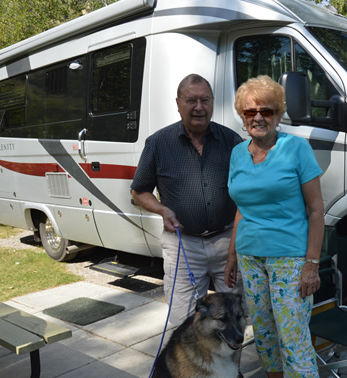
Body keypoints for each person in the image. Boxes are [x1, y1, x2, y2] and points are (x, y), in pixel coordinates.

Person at [224, 75, 324, 378]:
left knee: (293, 341)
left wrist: (312, 264)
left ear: (278, 115)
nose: (258, 117)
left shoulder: (297, 149)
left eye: (266, 111)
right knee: (265, 337)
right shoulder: (237, 153)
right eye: (250, 112)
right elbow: (242, 208)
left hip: (289, 259)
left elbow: (316, 210)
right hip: (250, 256)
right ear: (242, 117)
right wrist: (231, 256)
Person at [131, 73, 244, 326]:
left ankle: (229, 366)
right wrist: (162, 210)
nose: (199, 107)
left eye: (205, 100)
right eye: (191, 100)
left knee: (235, 317)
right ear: (178, 103)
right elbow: (139, 191)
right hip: (183, 246)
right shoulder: (159, 143)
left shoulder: (232, 142)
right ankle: (189, 367)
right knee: (184, 321)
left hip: (227, 243)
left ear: (213, 103)